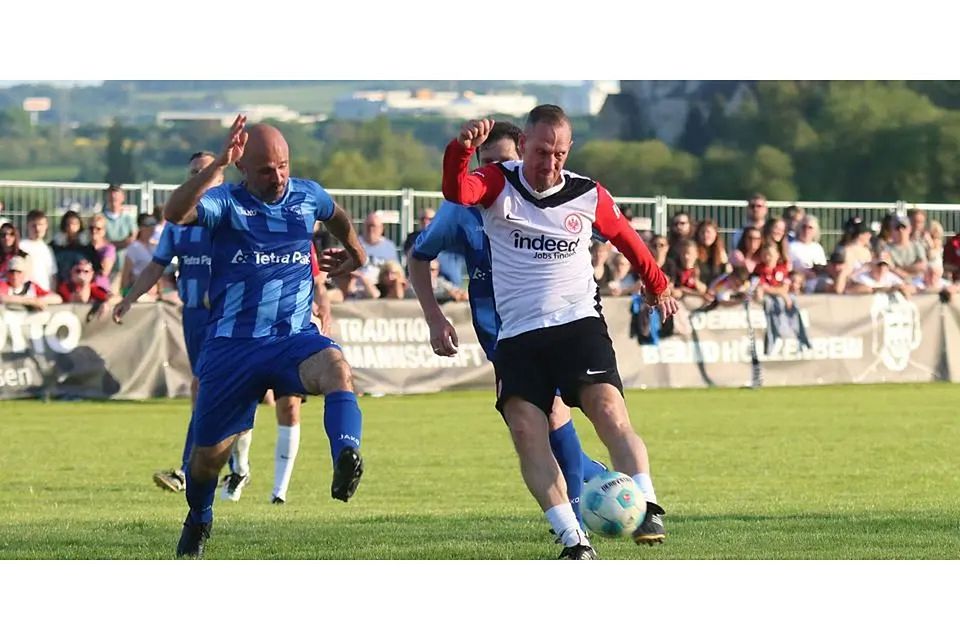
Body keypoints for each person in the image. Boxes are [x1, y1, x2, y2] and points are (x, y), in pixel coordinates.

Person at [441, 106, 678, 560]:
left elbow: (627, 238)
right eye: (542, 151)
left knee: (607, 409)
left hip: (577, 325)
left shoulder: (587, 193)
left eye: (560, 153)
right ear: (524, 145)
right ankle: (573, 540)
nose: (550, 162)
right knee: (527, 431)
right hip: (518, 336)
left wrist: (657, 284)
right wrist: (461, 149)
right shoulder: (497, 182)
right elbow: (457, 189)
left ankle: (646, 506)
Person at [162, 116, 367, 558]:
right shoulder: (225, 202)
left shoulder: (307, 194)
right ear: (243, 169)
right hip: (233, 347)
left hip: (292, 338)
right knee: (206, 460)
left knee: (337, 370)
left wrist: (356, 254)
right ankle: (199, 517)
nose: (277, 177)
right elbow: (174, 213)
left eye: (283, 166)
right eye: (265, 170)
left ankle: (345, 456)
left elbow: (338, 215)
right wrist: (216, 163)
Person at [408, 121, 609, 535]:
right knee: (532, 430)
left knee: (553, 416)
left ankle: (574, 532)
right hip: (502, 339)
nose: (493, 171)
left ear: (522, 153)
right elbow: (418, 256)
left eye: (503, 161)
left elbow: (600, 232)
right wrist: (434, 317)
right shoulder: (460, 211)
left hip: (555, 327)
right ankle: (596, 477)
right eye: (486, 163)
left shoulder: (549, 198)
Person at [19, 210, 57, 291]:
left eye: (40, 225)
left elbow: (52, 275)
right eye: (33, 225)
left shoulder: (48, 249)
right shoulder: (21, 246)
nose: (37, 228)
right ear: (27, 225)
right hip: (27, 294)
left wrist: (52, 292)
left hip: (45, 294)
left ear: (46, 226)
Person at [88, 213, 118, 292]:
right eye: (91, 228)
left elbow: (104, 271)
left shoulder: (109, 249)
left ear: (104, 230)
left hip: (100, 287)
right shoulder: (83, 247)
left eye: (98, 228)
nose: (94, 231)